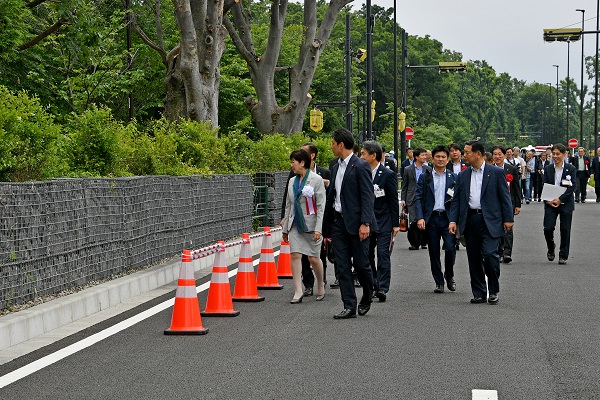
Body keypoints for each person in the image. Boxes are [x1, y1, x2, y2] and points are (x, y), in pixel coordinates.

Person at [448, 140, 514, 305]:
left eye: (467, 152)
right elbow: (457, 200)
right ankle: (478, 292)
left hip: (490, 220)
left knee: (491, 255)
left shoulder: (496, 173)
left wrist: (508, 219)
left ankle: (493, 290)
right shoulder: (463, 175)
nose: (464, 156)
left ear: (478, 154)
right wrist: (452, 221)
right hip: (470, 219)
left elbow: (505, 198)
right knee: (474, 257)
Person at [323, 128, 377, 319]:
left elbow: (367, 197)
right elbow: (333, 196)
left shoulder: (360, 166)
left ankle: (368, 296)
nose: (331, 146)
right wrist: (326, 227)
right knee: (342, 266)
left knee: (362, 265)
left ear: (341, 145)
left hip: (357, 224)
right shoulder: (335, 166)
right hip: (338, 223)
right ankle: (349, 305)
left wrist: (365, 223)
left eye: (332, 143)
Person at [280, 142, 331, 296]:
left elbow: (321, 206)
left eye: (293, 162)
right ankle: (298, 290)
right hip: (296, 224)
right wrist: (285, 228)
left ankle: (320, 283)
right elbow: (288, 205)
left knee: (314, 258)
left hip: (312, 224)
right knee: (295, 254)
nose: (291, 165)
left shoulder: (316, 179)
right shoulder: (291, 181)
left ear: (302, 162)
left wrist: (319, 228)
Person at [414, 145, 458, 293]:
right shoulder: (425, 177)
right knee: (433, 251)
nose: (440, 159)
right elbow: (418, 198)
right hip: (431, 218)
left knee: (451, 248)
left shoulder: (453, 177)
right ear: (432, 159)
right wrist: (420, 217)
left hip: (447, 219)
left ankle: (449, 275)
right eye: (437, 157)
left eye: (443, 157)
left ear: (447, 159)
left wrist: (456, 219)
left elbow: (457, 200)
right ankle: (439, 281)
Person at [360, 141, 400, 302]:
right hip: (367, 221)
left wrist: (395, 224)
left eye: (363, 154)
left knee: (383, 254)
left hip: (384, 220)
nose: (361, 157)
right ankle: (374, 283)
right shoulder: (360, 172)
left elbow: (393, 200)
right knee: (367, 254)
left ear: (373, 155)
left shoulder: (387, 174)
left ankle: (383, 287)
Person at [543, 143, 578, 265]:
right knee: (548, 228)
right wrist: (548, 200)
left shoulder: (571, 169)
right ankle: (551, 246)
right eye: (553, 154)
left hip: (565, 203)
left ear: (564, 154)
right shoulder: (548, 168)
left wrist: (560, 199)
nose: (555, 156)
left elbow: (572, 186)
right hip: (550, 202)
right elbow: (544, 185)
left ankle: (563, 255)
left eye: (558, 154)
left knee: (565, 229)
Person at [491, 145, 521, 264]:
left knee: (508, 227)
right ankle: (498, 251)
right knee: (496, 227)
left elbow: (517, 188)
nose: (497, 157)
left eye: (500, 154)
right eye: (495, 154)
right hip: (494, 202)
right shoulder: (489, 169)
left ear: (504, 155)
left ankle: (507, 253)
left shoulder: (511, 169)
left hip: (509, 202)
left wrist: (517, 204)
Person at [401, 148, 431, 250]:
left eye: (425, 155)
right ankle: (414, 242)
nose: (424, 157)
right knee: (414, 221)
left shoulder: (428, 169)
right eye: (422, 155)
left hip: (424, 198)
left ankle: (424, 241)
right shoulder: (408, 169)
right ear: (416, 157)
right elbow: (404, 185)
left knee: (424, 219)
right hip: (412, 198)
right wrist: (403, 199)